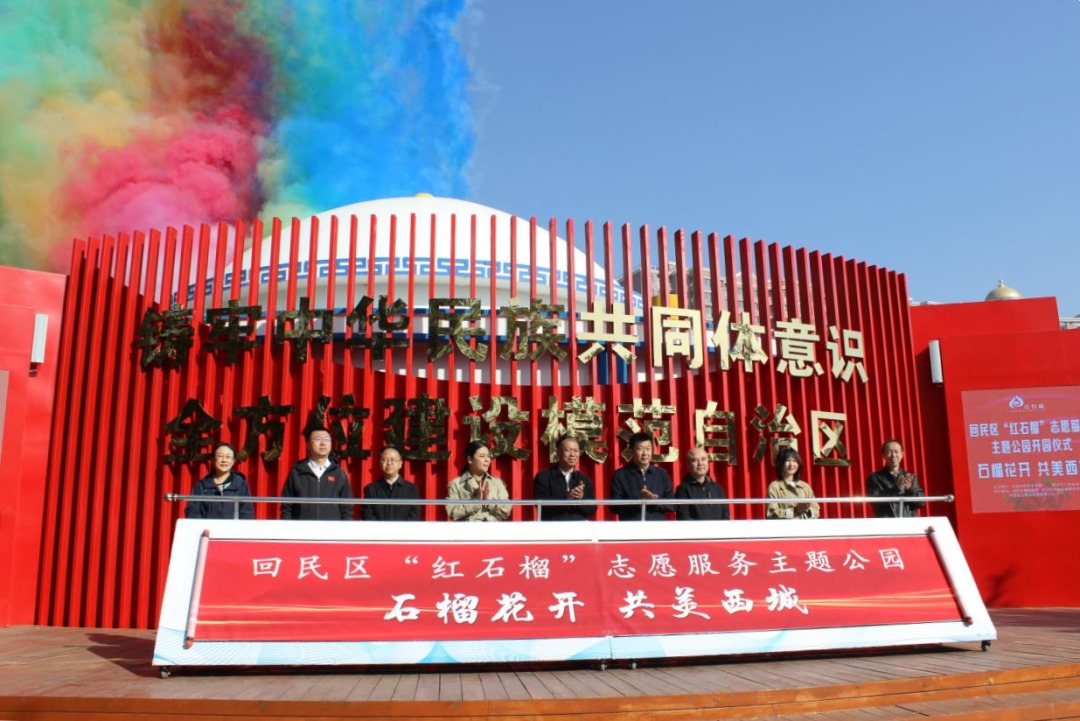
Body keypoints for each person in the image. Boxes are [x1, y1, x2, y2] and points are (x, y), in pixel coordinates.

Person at [280, 427, 354, 520]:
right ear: (308, 445)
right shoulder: (297, 472)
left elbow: (346, 510)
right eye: (318, 439)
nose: (323, 443)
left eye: (327, 439)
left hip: (331, 529)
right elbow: (286, 507)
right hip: (302, 528)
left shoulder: (339, 473)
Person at [609, 431, 674, 521]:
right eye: (640, 449)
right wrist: (638, 500)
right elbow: (614, 507)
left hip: (657, 526)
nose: (645, 453)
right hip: (632, 526)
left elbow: (672, 505)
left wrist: (655, 501)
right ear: (631, 451)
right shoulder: (620, 475)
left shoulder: (662, 474)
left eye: (648, 449)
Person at [532, 434, 597, 521]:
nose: (572, 454)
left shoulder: (585, 480)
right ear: (557, 452)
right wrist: (567, 499)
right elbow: (540, 505)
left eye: (576, 451)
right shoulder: (544, 477)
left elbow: (592, 509)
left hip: (578, 527)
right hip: (552, 526)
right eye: (568, 450)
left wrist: (580, 499)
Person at [185, 442, 254, 519]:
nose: (224, 460)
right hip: (208, 527)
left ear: (233, 461)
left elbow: (246, 513)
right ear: (213, 459)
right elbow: (193, 512)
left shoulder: (241, 485)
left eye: (228, 457)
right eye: (220, 456)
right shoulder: (201, 486)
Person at [446, 440, 511, 521]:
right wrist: (475, 502)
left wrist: (489, 502)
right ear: (470, 459)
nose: (487, 460)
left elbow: (506, 511)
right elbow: (452, 513)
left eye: (488, 456)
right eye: (482, 456)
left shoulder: (497, 483)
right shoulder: (456, 484)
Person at [866, 439, 926, 518]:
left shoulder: (911, 477)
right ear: (883, 455)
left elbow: (921, 503)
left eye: (896, 451)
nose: (893, 455)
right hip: (886, 522)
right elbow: (873, 501)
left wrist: (910, 490)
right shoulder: (875, 478)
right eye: (889, 452)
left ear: (902, 455)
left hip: (909, 523)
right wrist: (896, 489)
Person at [361, 445, 421, 521]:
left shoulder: (411, 489)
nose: (389, 463)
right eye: (385, 459)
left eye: (393, 459)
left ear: (400, 464)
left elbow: (414, 516)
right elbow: (367, 515)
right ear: (380, 463)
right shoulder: (371, 490)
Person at [675, 447, 730, 520]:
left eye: (703, 459)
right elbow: (684, 517)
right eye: (695, 460)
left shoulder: (717, 488)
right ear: (688, 464)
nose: (700, 463)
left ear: (708, 462)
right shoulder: (683, 490)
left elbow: (725, 515)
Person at [766, 447, 819, 519]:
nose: (791, 464)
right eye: (788, 460)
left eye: (794, 461)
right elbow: (771, 514)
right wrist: (795, 510)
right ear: (780, 463)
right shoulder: (774, 487)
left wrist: (807, 510)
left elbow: (816, 510)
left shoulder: (805, 487)